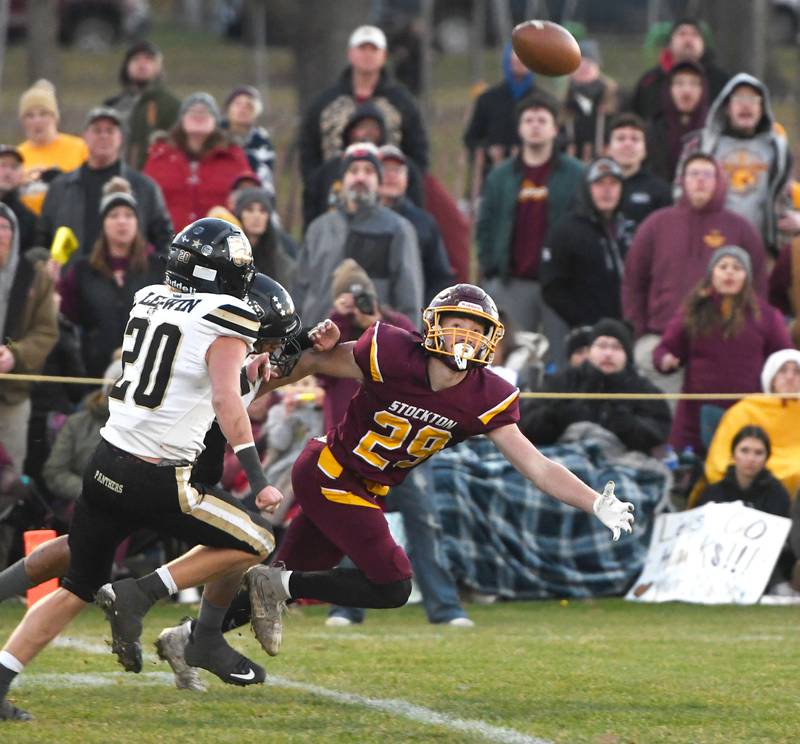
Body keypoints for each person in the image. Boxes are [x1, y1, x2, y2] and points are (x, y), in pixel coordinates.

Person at [237, 283, 635, 661]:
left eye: (475, 328)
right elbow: (315, 359)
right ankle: (275, 586)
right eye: (456, 324)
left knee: (283, 580)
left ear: (491, 338)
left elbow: (537, 466)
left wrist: (595, 502)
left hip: (368, 487)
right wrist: (240, 398)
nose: (465, 335)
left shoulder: (487, 396)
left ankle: (193, 638)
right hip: (329, 472)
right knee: (393, 583)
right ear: (434, 327)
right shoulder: (393, 351)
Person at [0, 218, 286, 720]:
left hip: (107, 460)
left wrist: (247, 376)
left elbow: (188, 377)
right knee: (257, 539)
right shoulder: (227, 315)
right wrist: (258, 478)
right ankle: (139, 593)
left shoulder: (150, 296)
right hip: (158, 474)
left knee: (74, 588)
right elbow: (222, 397)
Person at [622, 153, 768, 396]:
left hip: (722, 343)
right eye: (694, 174)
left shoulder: (740, 228)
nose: (700, 181)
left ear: (719, 181)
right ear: (682, 181)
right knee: (662, 421)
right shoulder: (657, 224)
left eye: (707, 175)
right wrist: (639, 331)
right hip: (661, 340)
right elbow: (633, 282)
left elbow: (759, 286)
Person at [476, 92, 584, 363]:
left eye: (542, 120)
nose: (535, 125)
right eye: (529, 120)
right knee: (510, 359)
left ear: (555, 128)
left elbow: (582, 224)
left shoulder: (576, 174)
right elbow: (485, 225)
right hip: (512, 281)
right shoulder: (500, 175)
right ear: (520, 128)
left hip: (558, 284)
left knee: (559, 360)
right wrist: (491, 266)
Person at [653, 246, 791, 453]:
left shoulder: (767, 316)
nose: (729, 272)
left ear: (747, 276)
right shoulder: (693, 311)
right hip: (696, 415)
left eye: (737, 267)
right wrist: (665, 359)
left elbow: (784, 357)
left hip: (749, 414)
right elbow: (666, 348)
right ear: (712, 274)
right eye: (723, 266)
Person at [293, 142, 423, 326]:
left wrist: (407, 343)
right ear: (343, 179)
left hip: (369, 344)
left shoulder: (398, 229)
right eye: (353, 171)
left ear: (379, 181)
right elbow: (300, 289)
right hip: (315, 341)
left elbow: (409, 296)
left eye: (369, 171)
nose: (360, 177)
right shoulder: (318, 228)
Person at [57, 177, 164, 378]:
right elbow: (67, 318)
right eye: (114, 215)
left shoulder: (158, 267)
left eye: (129, 215)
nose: (122, 221)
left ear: (137, 222)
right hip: (93, 373)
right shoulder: (82, 270)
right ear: (103, 223)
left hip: (149, 372)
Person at [675, 73, 792, 256]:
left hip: (761, 248)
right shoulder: (701, 144)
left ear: (762, 108)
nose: (746, 105)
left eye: (753, 99)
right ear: (727, 107)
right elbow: (680, 192)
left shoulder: (777, 149)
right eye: (738, 98)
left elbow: (784, 196)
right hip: (709, 245)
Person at [299, 24, 429, 188]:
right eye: (362, 48)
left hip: (389, 191)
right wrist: (317, 184)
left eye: (374, 49)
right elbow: (309, 150)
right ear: (350, 54)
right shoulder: (325, 103)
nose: (368, 54)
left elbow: (418, 151)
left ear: (384, 55)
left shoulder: (402, 102)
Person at [520, 318, 671, 455]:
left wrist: (623, 422)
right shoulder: (562, 381)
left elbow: (657, 434)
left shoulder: (644, 390)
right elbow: (527, 425)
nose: (608, 353)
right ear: (590, 351)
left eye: (616, 347)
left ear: (627, 355)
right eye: (601, 345)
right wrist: (558, 415)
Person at [37, 107, 173, 256]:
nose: (103, 136)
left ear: (120, 138)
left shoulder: (145, 188)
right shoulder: (61, 187)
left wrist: (150, 272)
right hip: (73, 277)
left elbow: (164, 240)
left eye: (110, 131)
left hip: (129, 277)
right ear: (85, 137)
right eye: (97, 130)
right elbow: (42, 239)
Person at [0, 205, 58, 474]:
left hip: (13, 393)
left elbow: (46, 331)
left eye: (4, 227)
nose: (0, 234)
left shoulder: (35, 276)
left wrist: (16, 353)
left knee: (10, 475)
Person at [540, 156, 627, 328]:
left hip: (624, 329)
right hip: (581, 330)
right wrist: (582, 321)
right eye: (600, 184)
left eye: (613, 184)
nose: (607, 190)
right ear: (587, 188)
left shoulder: (629, 228)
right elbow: (552, 287)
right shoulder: (566, 230)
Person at [143, 92, 250, 231]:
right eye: (192, 111)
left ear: (215, 121)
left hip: (219, 245)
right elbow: (145, 200)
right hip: (168, 244)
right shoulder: (159, 155)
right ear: (181, 119)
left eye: (206, 112)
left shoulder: (233, 156)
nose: (199, 115)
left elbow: (250, 200)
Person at [702, 349, 800, 500]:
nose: (789, 377)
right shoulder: (746, 409)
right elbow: (720, 457)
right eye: (783, 371)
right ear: (772, 377)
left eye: (796, 372)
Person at [377, 144, 454, 303]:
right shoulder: (354, 220)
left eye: (397, 170)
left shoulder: (423, 223)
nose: (391, 176)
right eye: (385, 169)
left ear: (407, 178)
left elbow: (440, 277)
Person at [462, 43, 536, 200]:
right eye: (515, 59)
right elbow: (471, 138)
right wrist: (488, 150)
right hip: (494, 177)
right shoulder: (488, 99)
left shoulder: (542, 101)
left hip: (533, 178)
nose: (519, 62)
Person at [628, 18, 729, 123]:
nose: (688, 40)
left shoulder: (720, 81)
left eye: (695, 34)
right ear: (670, 43)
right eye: (682, 34)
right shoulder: (650, 81)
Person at [103, 40, 181, 170]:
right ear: (126, 66)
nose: (142, 64)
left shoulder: (171, 105)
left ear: (159, 66)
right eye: (136, 59)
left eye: (149, 59)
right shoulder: (112, 106)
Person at [16, 80, 88, 215]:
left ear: (55, 118)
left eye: (43, 114)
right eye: (30, 116)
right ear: (23, 122)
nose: (37, 121)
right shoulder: (16, 155)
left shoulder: (79, 147)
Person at [696, 426, 791, 516]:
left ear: (767, 458)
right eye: (744, 451)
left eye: (759, 453)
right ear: (733, 454)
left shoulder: (778, 496)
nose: (751, 459)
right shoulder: (713, 493)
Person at [605, 113, 671, 242]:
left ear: (645, 149)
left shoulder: (660, 191)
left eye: (635, 139)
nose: (628, 144)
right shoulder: (592, 188)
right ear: (608, 149)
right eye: (620, 138)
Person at [646, 60, 708, 183]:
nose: (686, 91)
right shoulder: (654, 129)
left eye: (694, 84)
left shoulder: (712, 129)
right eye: (679, 84)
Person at [563, 39, 618, 162]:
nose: (584, 66)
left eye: (589, 62)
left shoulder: (617, 97)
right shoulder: (563, 101)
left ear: (598, 65)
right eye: (579, 62)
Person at [234, 187, 296, 290]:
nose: (257, 216)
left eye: (262, 211)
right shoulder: (230, 251)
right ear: (240, 215)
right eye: (250, 210)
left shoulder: (280, 260)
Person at [221, 85, 276, 196]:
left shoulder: (262, 142)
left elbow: (265, 180)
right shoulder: (214, 138)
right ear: (228, 108)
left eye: (248, 105)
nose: (242, 109)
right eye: (238, 104)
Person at [0, 145, 36, 254]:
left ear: (21, 174)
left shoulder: (27, 218)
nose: (8, 172)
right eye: (3, 165)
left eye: (14, 167)